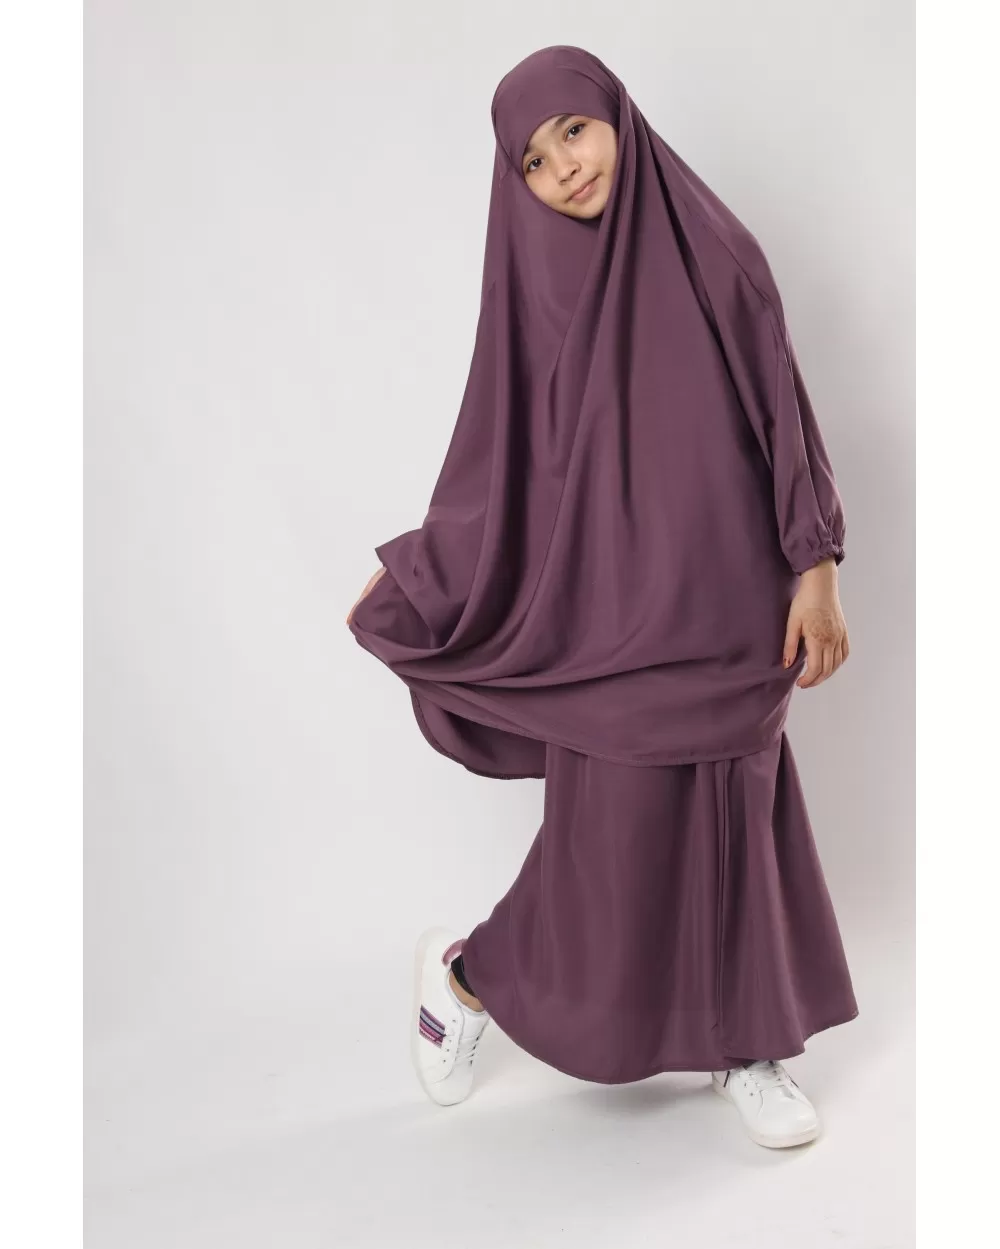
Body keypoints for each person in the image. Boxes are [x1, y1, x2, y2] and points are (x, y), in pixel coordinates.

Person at [347, 45, 858, 1150]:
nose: (564, 168)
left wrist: (814, 564)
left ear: (617, 116)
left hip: (735, 604)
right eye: (533, 161)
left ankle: (746, 1045)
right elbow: (504, 459)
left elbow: (783, 413)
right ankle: (467, 977)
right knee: (614, 849)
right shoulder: (537, 293)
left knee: (737, 821)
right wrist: (428, 573)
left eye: (573, 131)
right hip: (608, 616)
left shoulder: (718, 253)